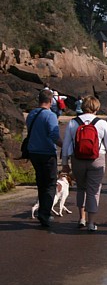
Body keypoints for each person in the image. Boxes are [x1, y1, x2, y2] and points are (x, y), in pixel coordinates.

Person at [61, 96, 107, 231]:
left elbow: (66, 144)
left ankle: (81, 218)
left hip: (77, 159)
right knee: (94, 190)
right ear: (96, 108)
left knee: (81, 188)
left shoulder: (73, 123)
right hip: (97, 159)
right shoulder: (102, 123)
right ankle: (91, 223)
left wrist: (64, 163)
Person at [26, 89, 62, 227]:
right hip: (46, 153)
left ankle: (43, 211)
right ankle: (45, 214)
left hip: (33, 151)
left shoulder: (32, 114)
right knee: (50, 183)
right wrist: (65, 146)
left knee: (41, 182)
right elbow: (54, 135)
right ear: (51, 100)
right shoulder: (50, 115)